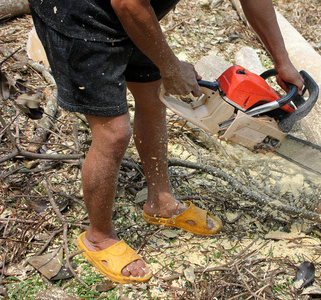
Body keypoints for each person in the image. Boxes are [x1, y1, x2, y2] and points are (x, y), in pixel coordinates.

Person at [27, 0, 305, 284]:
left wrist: (281, 59)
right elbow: (128, 3)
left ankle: (161, 202)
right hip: (80, 16)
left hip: (135, 14)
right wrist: (171, 66)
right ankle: (98, 237)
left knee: (154, 97)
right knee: (113, 132)